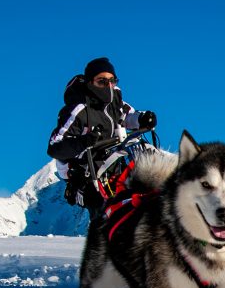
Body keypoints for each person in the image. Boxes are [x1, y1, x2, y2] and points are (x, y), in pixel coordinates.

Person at [47, 57, 157, 218]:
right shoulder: (79, 110)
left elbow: (127, 116)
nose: (108, 86)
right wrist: (85, 141)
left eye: (112, 81)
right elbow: (55, 146)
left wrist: (142, 119)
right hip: (84, 174)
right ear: (90, 83)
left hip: (114, 164)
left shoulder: (115, 99)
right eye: (102, 81)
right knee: (102, 212)